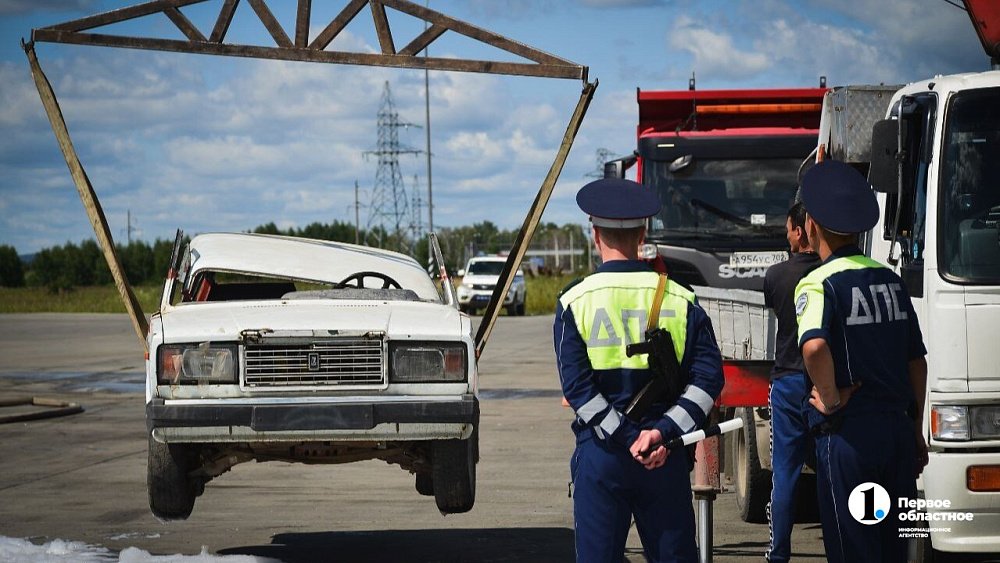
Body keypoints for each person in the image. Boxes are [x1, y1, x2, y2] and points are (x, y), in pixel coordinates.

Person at [553, 177, 724, 563]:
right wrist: (660, 434)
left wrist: (629, 437)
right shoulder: (682, 298)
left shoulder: (574, 300)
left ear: (594, 232)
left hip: (602, 454)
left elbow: (578, 389)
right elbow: (708, 382)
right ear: (644, 232)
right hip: (664, 456)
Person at [794, 160, 928, 563]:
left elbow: (814, 347)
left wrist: (832, 399)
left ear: (812, 225)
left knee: (854, 549)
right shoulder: (890, 279)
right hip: (898, 435)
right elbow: (916, 361)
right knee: (894, 549)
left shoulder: (818, 282)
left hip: (851, 439)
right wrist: (915, 430)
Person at [762, 201, 821, 563]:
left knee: (784, 474)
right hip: (824, 384)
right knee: (831, 471)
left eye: (787, 228)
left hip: (785, 381)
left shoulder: (776, 276)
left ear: (800, 231)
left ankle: (779, 554)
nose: (785, 234)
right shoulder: (830, 273)